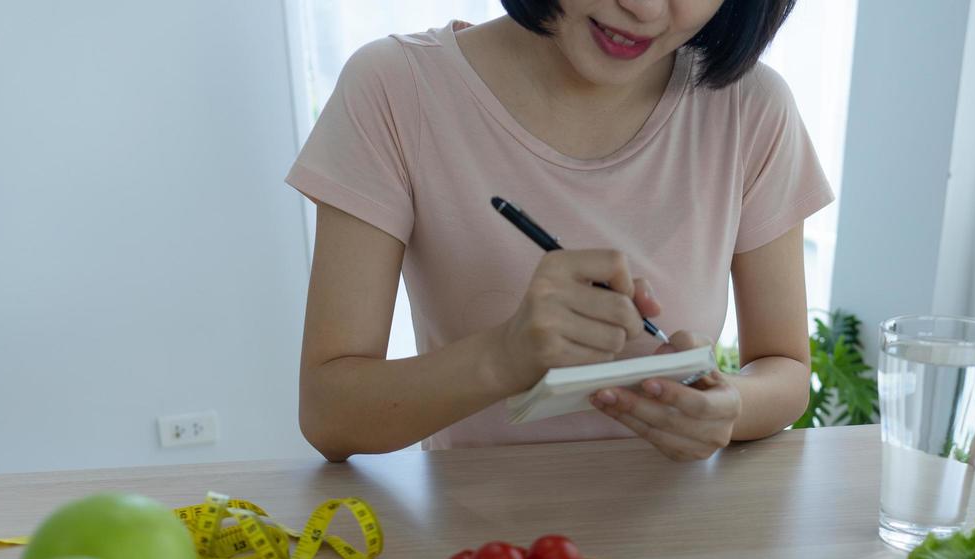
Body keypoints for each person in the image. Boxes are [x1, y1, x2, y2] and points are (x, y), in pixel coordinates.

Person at [288, 0, 832, 461]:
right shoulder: (395, 87)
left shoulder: (751, 107)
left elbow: (783, 369)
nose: (643, 9)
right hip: (484, 555)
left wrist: (729, 407)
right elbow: (329, 413)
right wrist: (504, 356)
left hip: (681, 538)